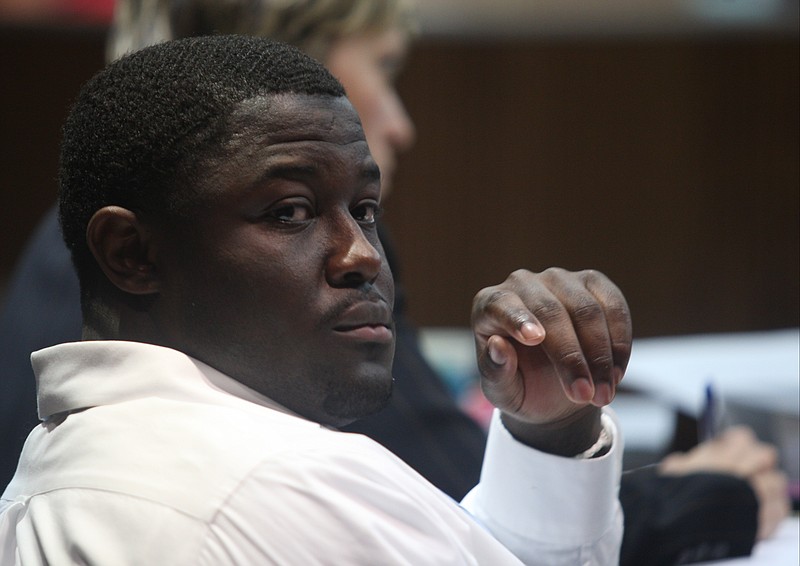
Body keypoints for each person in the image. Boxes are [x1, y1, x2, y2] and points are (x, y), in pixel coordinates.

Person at [0, 0, 789, 563]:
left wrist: (551, 433)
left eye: (366, 210)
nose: (363, 255)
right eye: (290, 212)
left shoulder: (60, 462)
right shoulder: (293, 480)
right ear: (131, 254)